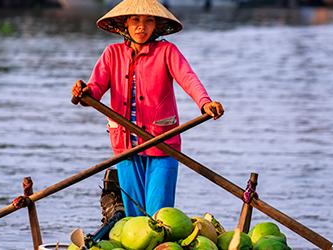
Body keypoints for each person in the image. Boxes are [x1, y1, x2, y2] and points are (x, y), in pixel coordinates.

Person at [71, 0, 224, 217]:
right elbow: (95, 88)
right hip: (125, 147)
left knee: (158, 212)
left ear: (156, 26)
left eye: (148, 20)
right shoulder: (111, 53)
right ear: (125, 24)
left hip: (162, 143)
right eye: (135, 20)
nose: (141, 26)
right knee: (135, 217)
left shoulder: (167, 52)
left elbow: (188, 79)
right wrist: (84, 92)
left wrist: (205, 102)